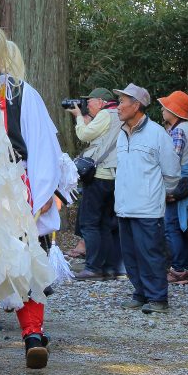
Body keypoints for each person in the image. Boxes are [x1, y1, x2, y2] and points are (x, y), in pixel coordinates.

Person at [0, 22, 62, 371]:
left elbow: (43, 146)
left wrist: (46, 191)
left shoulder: (22, 95)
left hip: (18, 191)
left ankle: (33, 336)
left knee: (26, 262)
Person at [113, 84, 180, 314]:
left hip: (148, 209)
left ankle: (158, 298)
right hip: (124, 207)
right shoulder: (121, 133)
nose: (118, 107)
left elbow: (172, 173)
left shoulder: (157, 134)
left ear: (137, 105)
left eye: (122, 102)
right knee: (130, 255)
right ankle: (141, 293)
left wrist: (156, 194)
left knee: (150, 254)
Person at [67, 87, 125, 280]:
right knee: (106, 224)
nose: (86, 105)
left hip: (99, 175)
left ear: (100, 101)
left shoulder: (106, 113)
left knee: (90, 223)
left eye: (89, 101)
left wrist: (77, 117)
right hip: (115, 177)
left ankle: (92, 268)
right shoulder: (120, 114)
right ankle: (108, 267)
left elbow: (84, 135)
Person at [158, 91, 188, 284]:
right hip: (187, 184)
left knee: (172, 227)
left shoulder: (179, 131)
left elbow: (172, 162)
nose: (162, 109)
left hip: (177, 184)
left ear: (173, 111)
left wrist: (166, 190)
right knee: (182, 228)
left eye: (166, 107)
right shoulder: (187, 128)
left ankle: (178, 269)